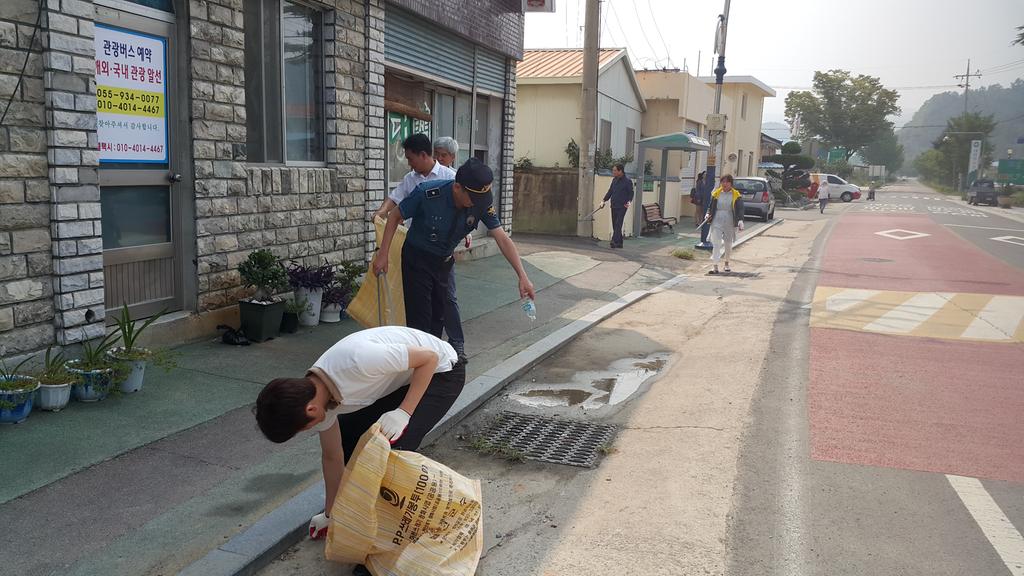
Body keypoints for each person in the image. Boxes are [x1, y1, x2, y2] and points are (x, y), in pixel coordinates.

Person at [254, 326, 465, 547]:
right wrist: (330, 513)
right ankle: (364, 520)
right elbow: (332, 456)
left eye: (302, 428)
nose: (306, 430)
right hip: (402, 378)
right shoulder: (317, 396)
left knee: (392, 452)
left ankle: (393, 538)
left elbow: (429, 358)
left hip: (442, 371)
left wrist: (404, 412)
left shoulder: (358, 361)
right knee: (348, 436)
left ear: (311, 410)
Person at [373, 157, 536, 338]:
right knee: (420, 319)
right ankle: (421, 360)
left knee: (438, 318)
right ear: (457, 187)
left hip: (444, 263)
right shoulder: (427, 193)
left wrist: (523, 276)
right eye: (473, 198)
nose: (476, 204)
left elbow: (502, 238)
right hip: (417, 261)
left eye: (481, 199)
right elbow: (395, 216)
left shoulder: (480, 203)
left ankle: (432, 360)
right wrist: (383, 254)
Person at [431, 137, 469, 361]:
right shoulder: (418, 177)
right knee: (426, 299)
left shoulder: (455, 179)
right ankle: (430, 344)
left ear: (452, 157)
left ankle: (457, 342)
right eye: (436, 153)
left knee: (447, 295)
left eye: (443, 155)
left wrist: (467, 233)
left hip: (444, 249)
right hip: (420, 246)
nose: (439, 158)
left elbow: (464, 212)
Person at [373, 133, 455, 222]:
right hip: (412, 234)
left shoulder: (449, 177)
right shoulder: (410, 178)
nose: (409, 164)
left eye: (410, 159)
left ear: (423, 155)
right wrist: (382, 211)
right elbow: (394, 198)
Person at [705, 174, 745, 275]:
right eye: (723, 182)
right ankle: (715, 266)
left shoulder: (736, 195)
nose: (724, 184)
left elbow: (740, 209)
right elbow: (711, 206)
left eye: (727, 182)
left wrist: (740, 220)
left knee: (728, 243)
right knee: (716, 243)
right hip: (717, 219)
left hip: (730, 220)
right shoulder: (716, 194)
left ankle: (726, 263)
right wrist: (708, 214)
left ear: (731, 183)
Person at [599, 163, 634, 249]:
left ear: (620, 171)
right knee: (615, 224)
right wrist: (603, 200)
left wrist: (629, 202)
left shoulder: (627, 181)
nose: (613, 172)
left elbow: (631, 193)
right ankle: (620, 242)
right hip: (614, 205)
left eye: (615, 170)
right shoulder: (614, 180)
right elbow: (610, 191)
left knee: (618, 223)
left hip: (623, 206)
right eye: (613, 170)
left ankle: (614, 241)